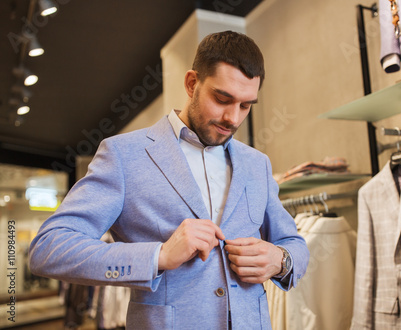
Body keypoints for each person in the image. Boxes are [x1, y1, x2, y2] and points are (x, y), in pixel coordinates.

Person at [29, 31, 309, 329]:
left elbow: (293, 242)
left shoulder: (258, 164)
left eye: (245, 105)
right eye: (222, 98)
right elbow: (49, 248)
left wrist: (281, 259)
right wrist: (158, 256)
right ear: (192, 83)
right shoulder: (123, 155)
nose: (233, 118)